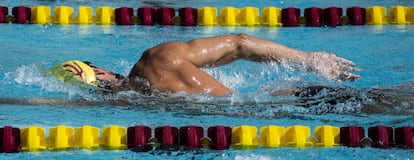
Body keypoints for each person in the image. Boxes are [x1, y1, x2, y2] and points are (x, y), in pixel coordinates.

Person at [88, 34, 360, 96]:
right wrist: (308, 61)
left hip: (297, 102)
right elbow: (239, 43)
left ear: (99, 73)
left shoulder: (156, 60)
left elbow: (237, 44)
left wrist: (309, 59)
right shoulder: (157, 63)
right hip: (289, 101)